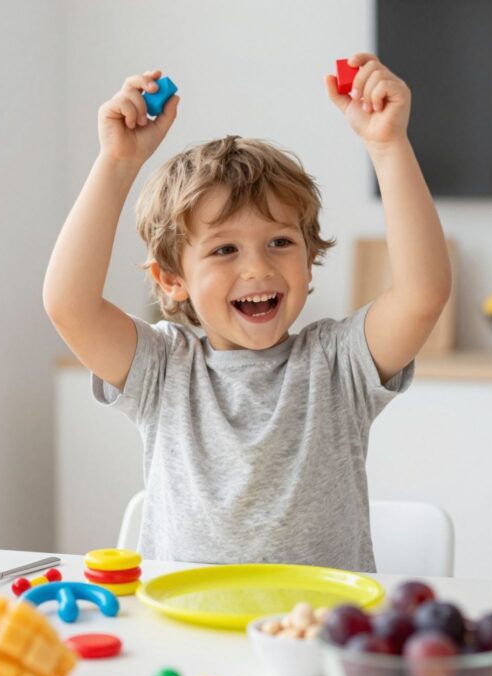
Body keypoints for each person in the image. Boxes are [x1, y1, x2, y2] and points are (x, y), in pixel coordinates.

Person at [43, 54, 450, 571]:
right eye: (224, 250)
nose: (258, 269)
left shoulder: (338, 364)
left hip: (314, 630)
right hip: (187, 631)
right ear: (172, 279)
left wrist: (388, 146)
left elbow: (423, 294)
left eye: (280, 242)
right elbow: (68, 305)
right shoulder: (163, 369)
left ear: (309, 260)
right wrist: (117, 163)